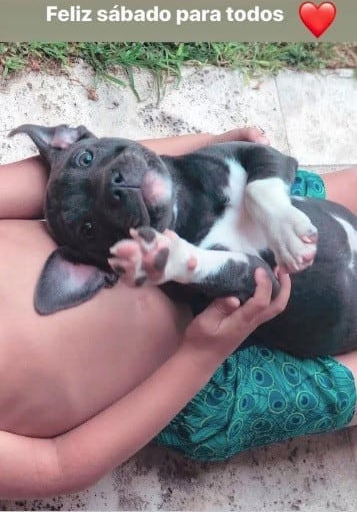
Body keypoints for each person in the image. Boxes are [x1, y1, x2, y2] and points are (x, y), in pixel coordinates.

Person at [0, 126, 355, 498]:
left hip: (196, 214)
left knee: (304, 206)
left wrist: (208, 146)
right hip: (198, 386)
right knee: (336, 385)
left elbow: (81, 165)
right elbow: (57, 465)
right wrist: (201, 354)